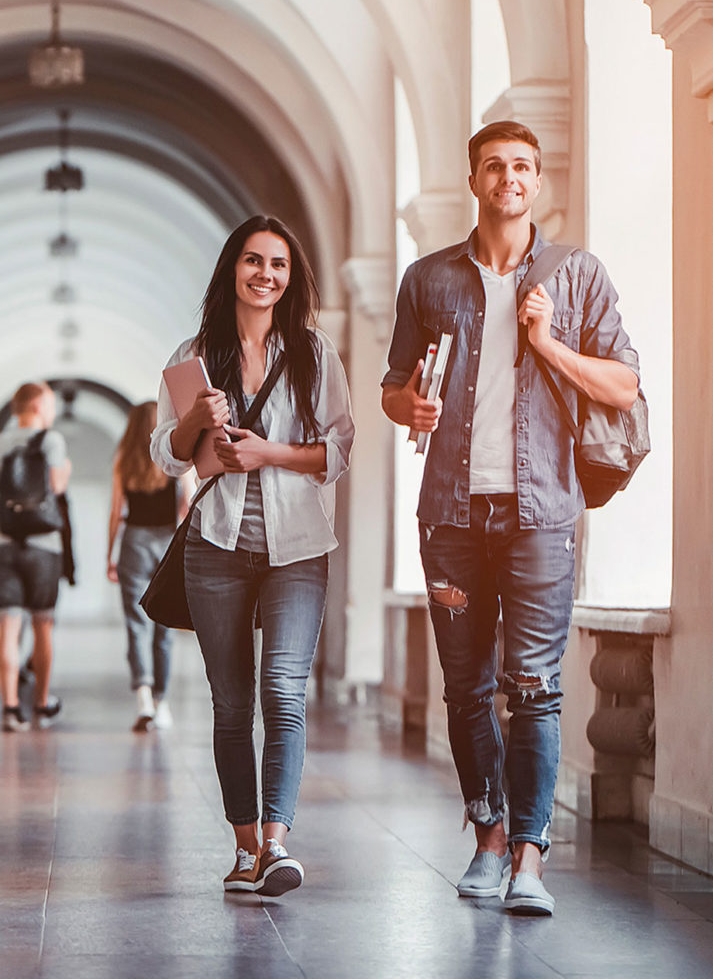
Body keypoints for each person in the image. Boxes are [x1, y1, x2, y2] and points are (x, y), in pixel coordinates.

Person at [381, 120, 640, 916]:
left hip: (540, 515)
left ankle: (529, 857)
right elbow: (392, 387)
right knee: (465, 689)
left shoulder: (577, 276)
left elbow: (623, 387)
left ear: (537, 181)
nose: (509, 178)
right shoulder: (428, 280)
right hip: (451, 518)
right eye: (494, 166)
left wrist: (546, 341)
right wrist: (408, 404)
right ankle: (487, 838)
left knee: (533, 689)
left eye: (522, 166)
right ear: (474, 180)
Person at [151, 214, 354, 897]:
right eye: (252, 261)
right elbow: (167, 458)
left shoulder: (315, 354)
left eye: (278, 265)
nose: (264, 275)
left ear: (290, 278)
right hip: (217, 547)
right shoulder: (193, 353)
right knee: (232, 702)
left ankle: (275, 844)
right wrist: (196, 419)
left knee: (283, 691)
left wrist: (267, 452)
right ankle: (243, 849)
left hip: (298, 549)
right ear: (231, 270)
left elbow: (337, 451)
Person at [107, 401, 192, 732]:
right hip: (167, 544)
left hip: (133, 544)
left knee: (135, 623)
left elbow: (116, 512)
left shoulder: (123, 460)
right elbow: (189, 501)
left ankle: (142, 695)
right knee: (163, 627)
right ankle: (162, 702)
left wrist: (109, 555)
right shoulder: (172, 459)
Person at [0, 382, 71, 731]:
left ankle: (11, 708)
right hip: (44, 544)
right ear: (39, 405)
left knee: (8, 627)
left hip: (5, 543)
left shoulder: (1, 441)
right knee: (43, 624)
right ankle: (42, 703)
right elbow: (56, 488)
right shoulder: (51, 440)